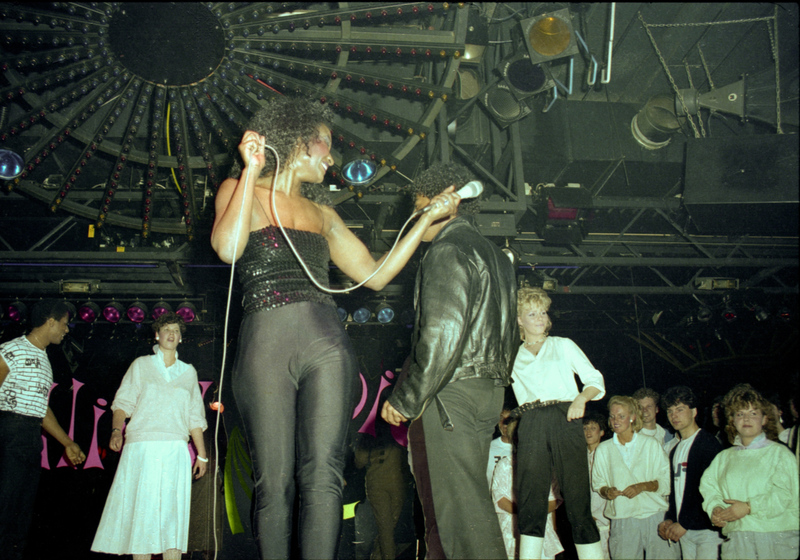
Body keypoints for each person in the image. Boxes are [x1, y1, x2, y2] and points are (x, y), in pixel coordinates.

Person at [211, 97, 459, 560]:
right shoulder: (239, 187)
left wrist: (426, 219)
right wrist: (251, 169)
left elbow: (375, 275)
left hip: (326, 343)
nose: (332, 157)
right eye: (326, 143)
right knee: (273, 481)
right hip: (265, 345)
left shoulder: (323, 214)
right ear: (297, 141)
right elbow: (228, 249)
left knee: (324, 474)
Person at [381, 162, 517, 560]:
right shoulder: (496, 255)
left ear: (446, 202)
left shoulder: (446, 250)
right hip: (487, 390)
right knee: (469, 502)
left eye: (420, 206)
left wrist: (406, 398)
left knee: (458, 515)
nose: (416, 216)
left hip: (451, 391)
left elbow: (442, 333)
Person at [91, 312, 208, 560]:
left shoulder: (188, 372)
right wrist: (116, 430)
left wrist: (202, 455)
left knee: (172, 518)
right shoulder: (141, 365)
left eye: (176, 330)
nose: (171, 334)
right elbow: (123, 403)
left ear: (181, 338)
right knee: (141, 517)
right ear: (157, 335)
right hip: (141, 448)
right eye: (166, 329)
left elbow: (195, 417)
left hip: (175, 449)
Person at [511, 286, 605, 560]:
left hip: (566, 417)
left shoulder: (563, 345)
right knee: (530, 498)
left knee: (576, 496)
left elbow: (595, 380)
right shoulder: (512, 355)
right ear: (519, 320)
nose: (540, 318)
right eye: (532, 313)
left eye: (543, 312)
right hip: (531, 421)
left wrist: (581, 399)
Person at [0, 299, 86, 560]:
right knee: (4, 507)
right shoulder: (11, 349)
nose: (66, 330)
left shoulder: (44, 358)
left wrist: (67, 442)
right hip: (9, 430)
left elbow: (40, 408)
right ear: (50, 322)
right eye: (64, 323)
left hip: (29, 437)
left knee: (21, 513)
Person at [699, 383, 799, 560]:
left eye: (753, 413)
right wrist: (716, 509)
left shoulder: (779, 453)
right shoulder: (723, 458)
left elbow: (785, 495)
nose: (746, 419)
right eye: (740, 414)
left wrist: (749, 507)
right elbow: (709, 488)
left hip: (774, 537)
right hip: (737, 538)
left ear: (764, 419)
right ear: (732, 420)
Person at [592, 395, 677, 560]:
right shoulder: (603, 449)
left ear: (632, 417)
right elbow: (598, 483)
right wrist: (607, 491)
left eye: (621, 416)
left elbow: (665, 481)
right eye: (612, 416)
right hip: (622, 518)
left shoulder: (651, 444)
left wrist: (642, 487)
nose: (615, 421)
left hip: (655, 514)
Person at [657, 386, 723, 560]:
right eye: (670, 411)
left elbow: (708, 492)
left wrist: (685, 523)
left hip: (706, 530)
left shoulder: (707, 443)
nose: (674, 415)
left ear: (694, 412)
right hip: (685, 530)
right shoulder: (676, 449)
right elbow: (676, 492)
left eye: (680, 409)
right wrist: (670, 518)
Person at [492, 416, 563, 560]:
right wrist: (526, 513)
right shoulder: (505, 465)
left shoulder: (548, 466)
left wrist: (533, 515)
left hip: (541, 530)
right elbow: (500, 500)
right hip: (512, 531)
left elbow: (554, 500)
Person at [583, 411, 610, 560]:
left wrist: (593, 513)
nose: (588, 432)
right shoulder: (581, 457)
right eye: (585, 428)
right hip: (587, 520)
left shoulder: (606, 454)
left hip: (602, 520)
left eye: (593, 428)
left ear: (601, 432)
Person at [633, 387, 676, 453]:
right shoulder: (632, 437)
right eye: (640, 407)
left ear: (656, 409)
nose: (645, 410)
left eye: (649, 406)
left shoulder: (668, 436)